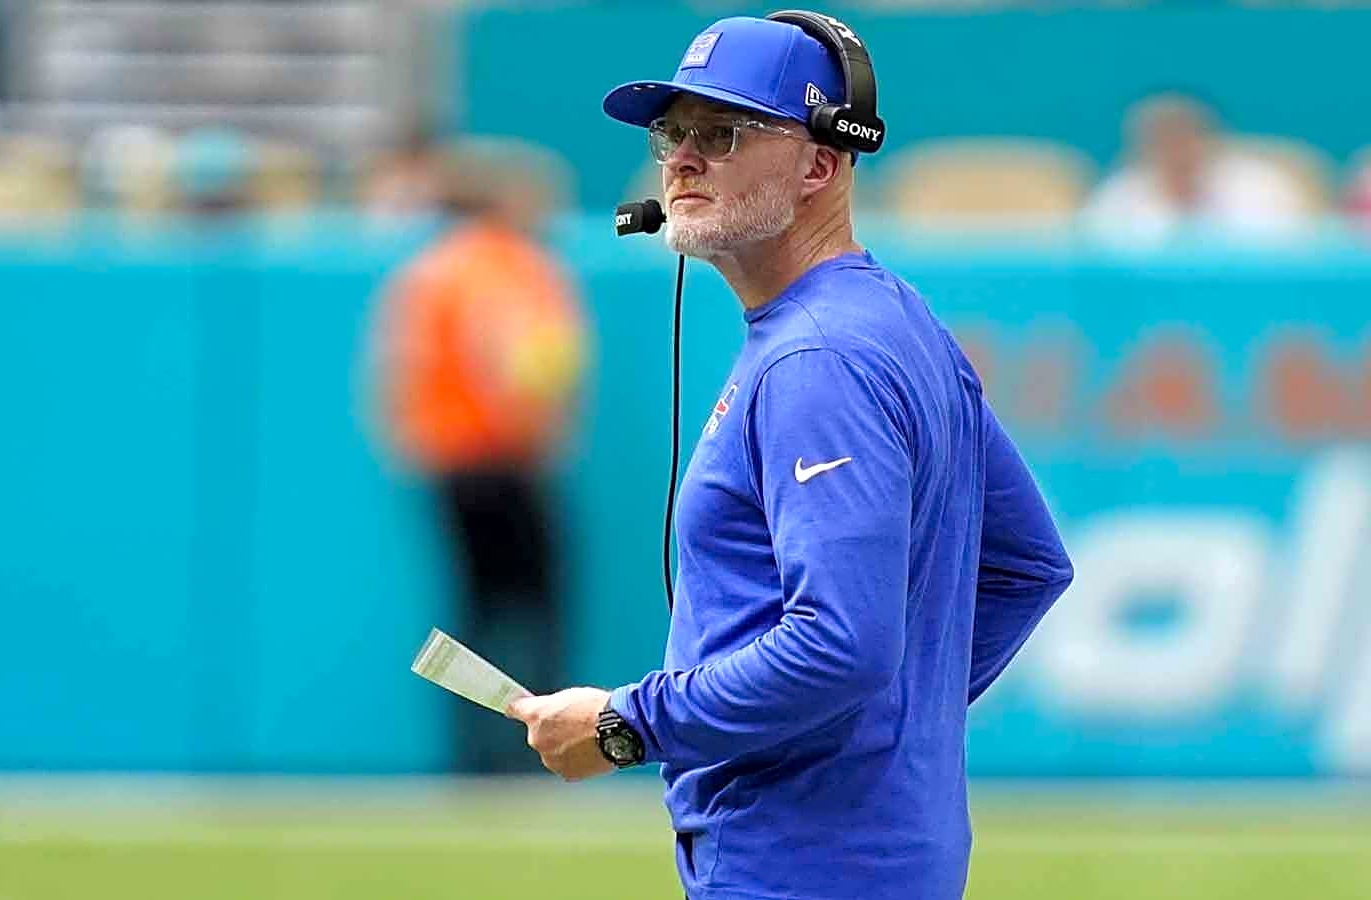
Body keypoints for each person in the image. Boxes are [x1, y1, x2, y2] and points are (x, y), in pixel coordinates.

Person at [503, 14, 1073, 900]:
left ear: (819, 165)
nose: (681, 161)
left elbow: (842, 644)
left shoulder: (818, 358)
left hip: (798, 866)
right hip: (873, 858)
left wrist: (625, 724)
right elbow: (1028, 566)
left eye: (722, 134)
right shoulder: (891, 321)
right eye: (672, 134)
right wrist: (881, 737)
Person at [371, 140, 587, 773]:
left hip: (448, 461)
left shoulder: (431, 269)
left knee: (473, 609)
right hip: (503, 457)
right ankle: (540, 749)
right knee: (535, 606)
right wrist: (542, 427)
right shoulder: (509, 265)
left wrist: (413, 440)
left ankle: (472, 755)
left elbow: (393, 368)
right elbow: (518, 355)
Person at [1080, 92, 1309, 240]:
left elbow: (1293, 256)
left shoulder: (1264, 189)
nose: (1176, 152)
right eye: (1162, 142)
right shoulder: (1118, 197)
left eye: (1185, 139)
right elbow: (1094, 259)